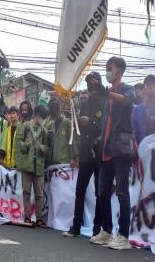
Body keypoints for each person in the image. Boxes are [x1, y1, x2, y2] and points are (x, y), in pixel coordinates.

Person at [90, 57, 135, 250]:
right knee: (102, 193)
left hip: (121, 149)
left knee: (123, 192)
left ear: (120, 70)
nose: (108, 71)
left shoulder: (126, 88)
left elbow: (128, 101)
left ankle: (124, 236)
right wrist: (99, 139)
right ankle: (106, 231)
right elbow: (106, 123)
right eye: (106, 68)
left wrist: (106, 92)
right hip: (106, 149)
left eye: (111, 68)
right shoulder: (106, 96)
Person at [63, 72, 105, 237]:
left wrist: (92, 122)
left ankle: (97, 230)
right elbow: (79, 129)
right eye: (88, 83)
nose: (90, 86)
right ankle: (76, 227)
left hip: (100, 151)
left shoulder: (104, 102)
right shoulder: (85, 105)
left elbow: (104, 124)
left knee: (99, 193)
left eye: (93, 83)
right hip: (86, 151)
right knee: (80, 190)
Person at [16, 105, 48, 227]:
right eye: (41, 117)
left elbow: (47, 147)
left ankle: (39, 218)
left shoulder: (44, 131)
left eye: (43, 118)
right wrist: (26, 144)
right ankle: (27, 217)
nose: (41, 120)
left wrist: (43, 148)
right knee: (26, 192)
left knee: (39, 193)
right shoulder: (24, 127)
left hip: (38, 165)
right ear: (36, 115)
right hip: (26, 164)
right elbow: (18, 143)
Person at [45, 98, 78, 168]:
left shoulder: (67, 122)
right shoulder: (50, 125)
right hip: (52, 163)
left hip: (65, 162)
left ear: (59, 111)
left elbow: (72, 141)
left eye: (55, 113)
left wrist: (73, 158)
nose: (54, 116)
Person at [132, 75, 155, 144]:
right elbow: (134, 133)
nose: (151, 86)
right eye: (148, 85)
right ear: (144, 89)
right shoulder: (137, 110)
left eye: (154, 84)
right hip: (144, 149)